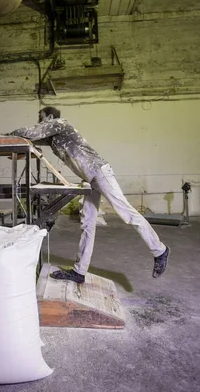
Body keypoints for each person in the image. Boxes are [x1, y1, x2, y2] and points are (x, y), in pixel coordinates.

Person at [9, 106, 169, 284]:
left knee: (127, 214)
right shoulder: (54, 137)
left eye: (41, 117)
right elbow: (31, 138)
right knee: (87, 224)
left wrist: (6, 136)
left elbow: (30, 132)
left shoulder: (60, 123)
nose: (39, 121)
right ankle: (79, 271)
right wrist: (13, 140)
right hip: (90, 178)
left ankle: (160, 250)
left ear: (50, 116)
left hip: (99, 172)